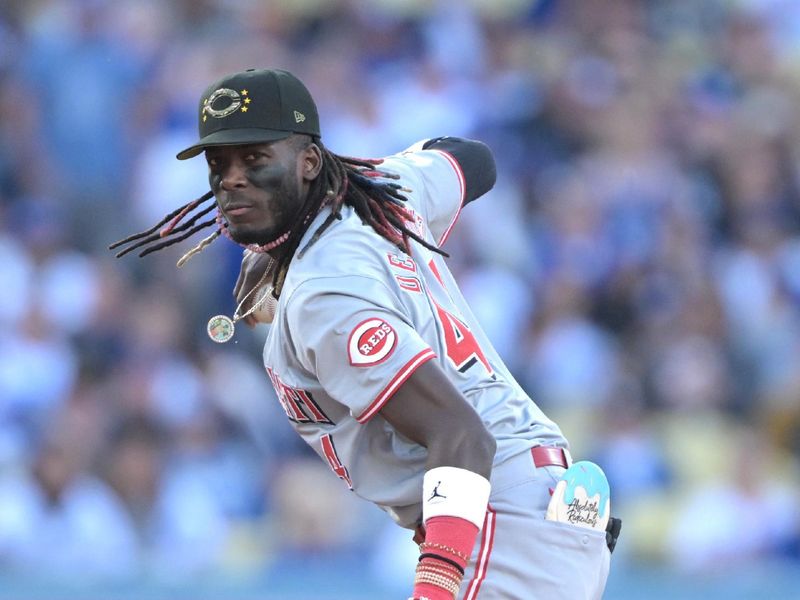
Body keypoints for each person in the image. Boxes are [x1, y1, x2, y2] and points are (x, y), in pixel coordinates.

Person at [111, 68, 617, 599]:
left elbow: (462, 437)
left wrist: (437, 588)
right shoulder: (381, 189)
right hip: (532, 511)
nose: (232, 178)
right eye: (220, 162)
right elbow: (475, 160)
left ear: (309, 162)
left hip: (494, 520)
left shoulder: (324, 296)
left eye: (256, 158)